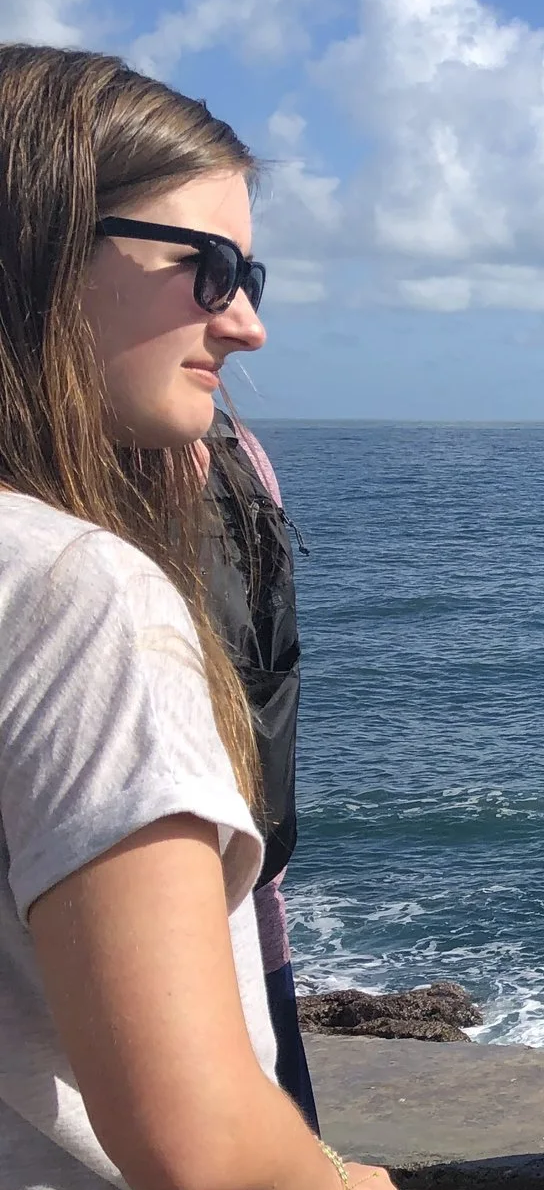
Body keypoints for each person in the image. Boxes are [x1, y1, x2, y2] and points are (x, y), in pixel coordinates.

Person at [0, 46, 410, 1190]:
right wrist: (344, 1188)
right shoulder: (74, 590)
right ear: (39, 245)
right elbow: (186, 1126)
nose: (245, 316)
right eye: (209, 265)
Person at [200, 405, 319, 1128]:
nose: (242, 323)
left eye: (244, 282)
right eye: (207, 282)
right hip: (217, 919)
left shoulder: (233, 452)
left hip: (248, 919)